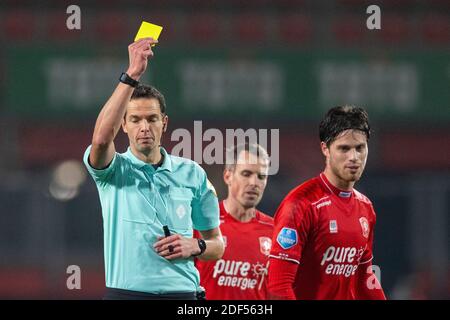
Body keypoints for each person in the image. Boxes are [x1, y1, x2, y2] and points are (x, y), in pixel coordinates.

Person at [82, 37, 224, 300]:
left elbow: (218, 245)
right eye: (135, 119)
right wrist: (131, 75)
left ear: (165, 123)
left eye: (152, 119)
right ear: (123, 125)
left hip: (183, 295)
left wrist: (196, 245)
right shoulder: (113, 171)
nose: (144, 127)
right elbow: (101, 140)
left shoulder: (192, 173)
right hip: (127, 294)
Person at [267, 105, 386, 300]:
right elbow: (278, 286)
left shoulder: (365, 207)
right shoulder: (300, 204)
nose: (354, 157)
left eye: (360, 148)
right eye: (344, 148)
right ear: (325, 148)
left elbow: (364, 277)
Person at [195, 143, 274, 299]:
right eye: (246, 174)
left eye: (261, 176)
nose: (254, 183)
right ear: (228, 176)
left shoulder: (275, 231)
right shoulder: (202, 222)